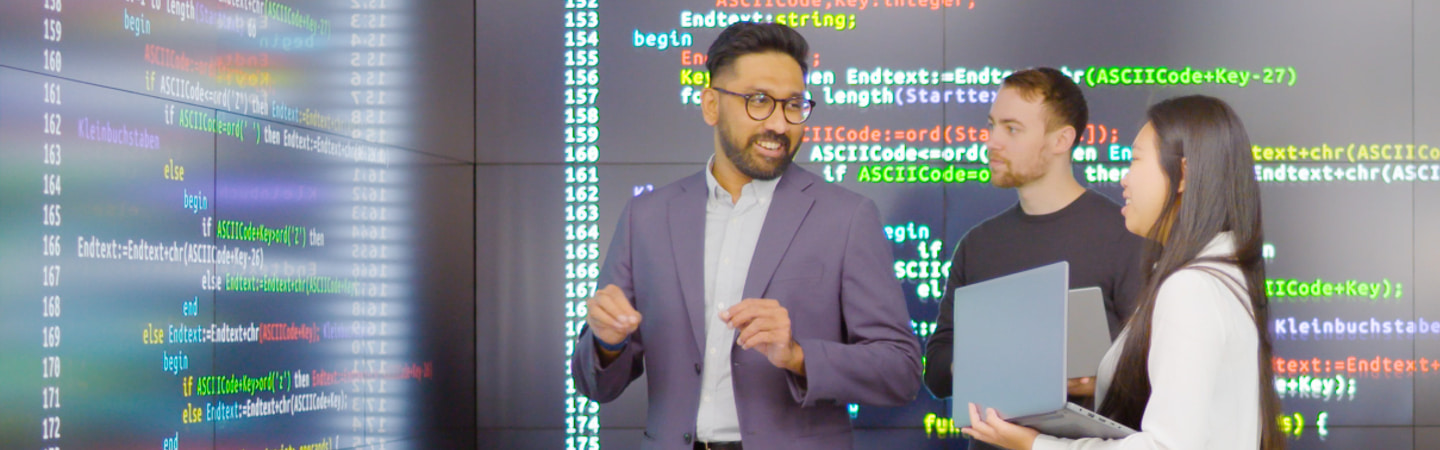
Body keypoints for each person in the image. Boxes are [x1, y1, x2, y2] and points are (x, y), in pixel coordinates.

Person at [569, 22, 922, 450]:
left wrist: (798, 354)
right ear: (711, 105)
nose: (779, 123)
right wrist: (607, 344)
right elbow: (594, 385)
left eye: (793, 105)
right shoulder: (647, 217)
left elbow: (901, 372)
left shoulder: (846, 217)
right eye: (759, 101)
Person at [961, 95, 1286, 449]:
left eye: (1135, 160)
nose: (1124, 179)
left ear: (1183, 175)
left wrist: (1036, 444)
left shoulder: (1190, 288)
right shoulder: (1219, 276)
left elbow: (1166, 447)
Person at [924, 68, 1144, 402]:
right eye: (991, 125)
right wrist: (981, 364)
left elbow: (1155, 366)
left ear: (1062, 140)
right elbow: (937, 372)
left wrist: (1103, 380)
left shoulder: (1125, 235)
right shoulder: (977, 245)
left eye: (1012, 129)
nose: (992, 141)